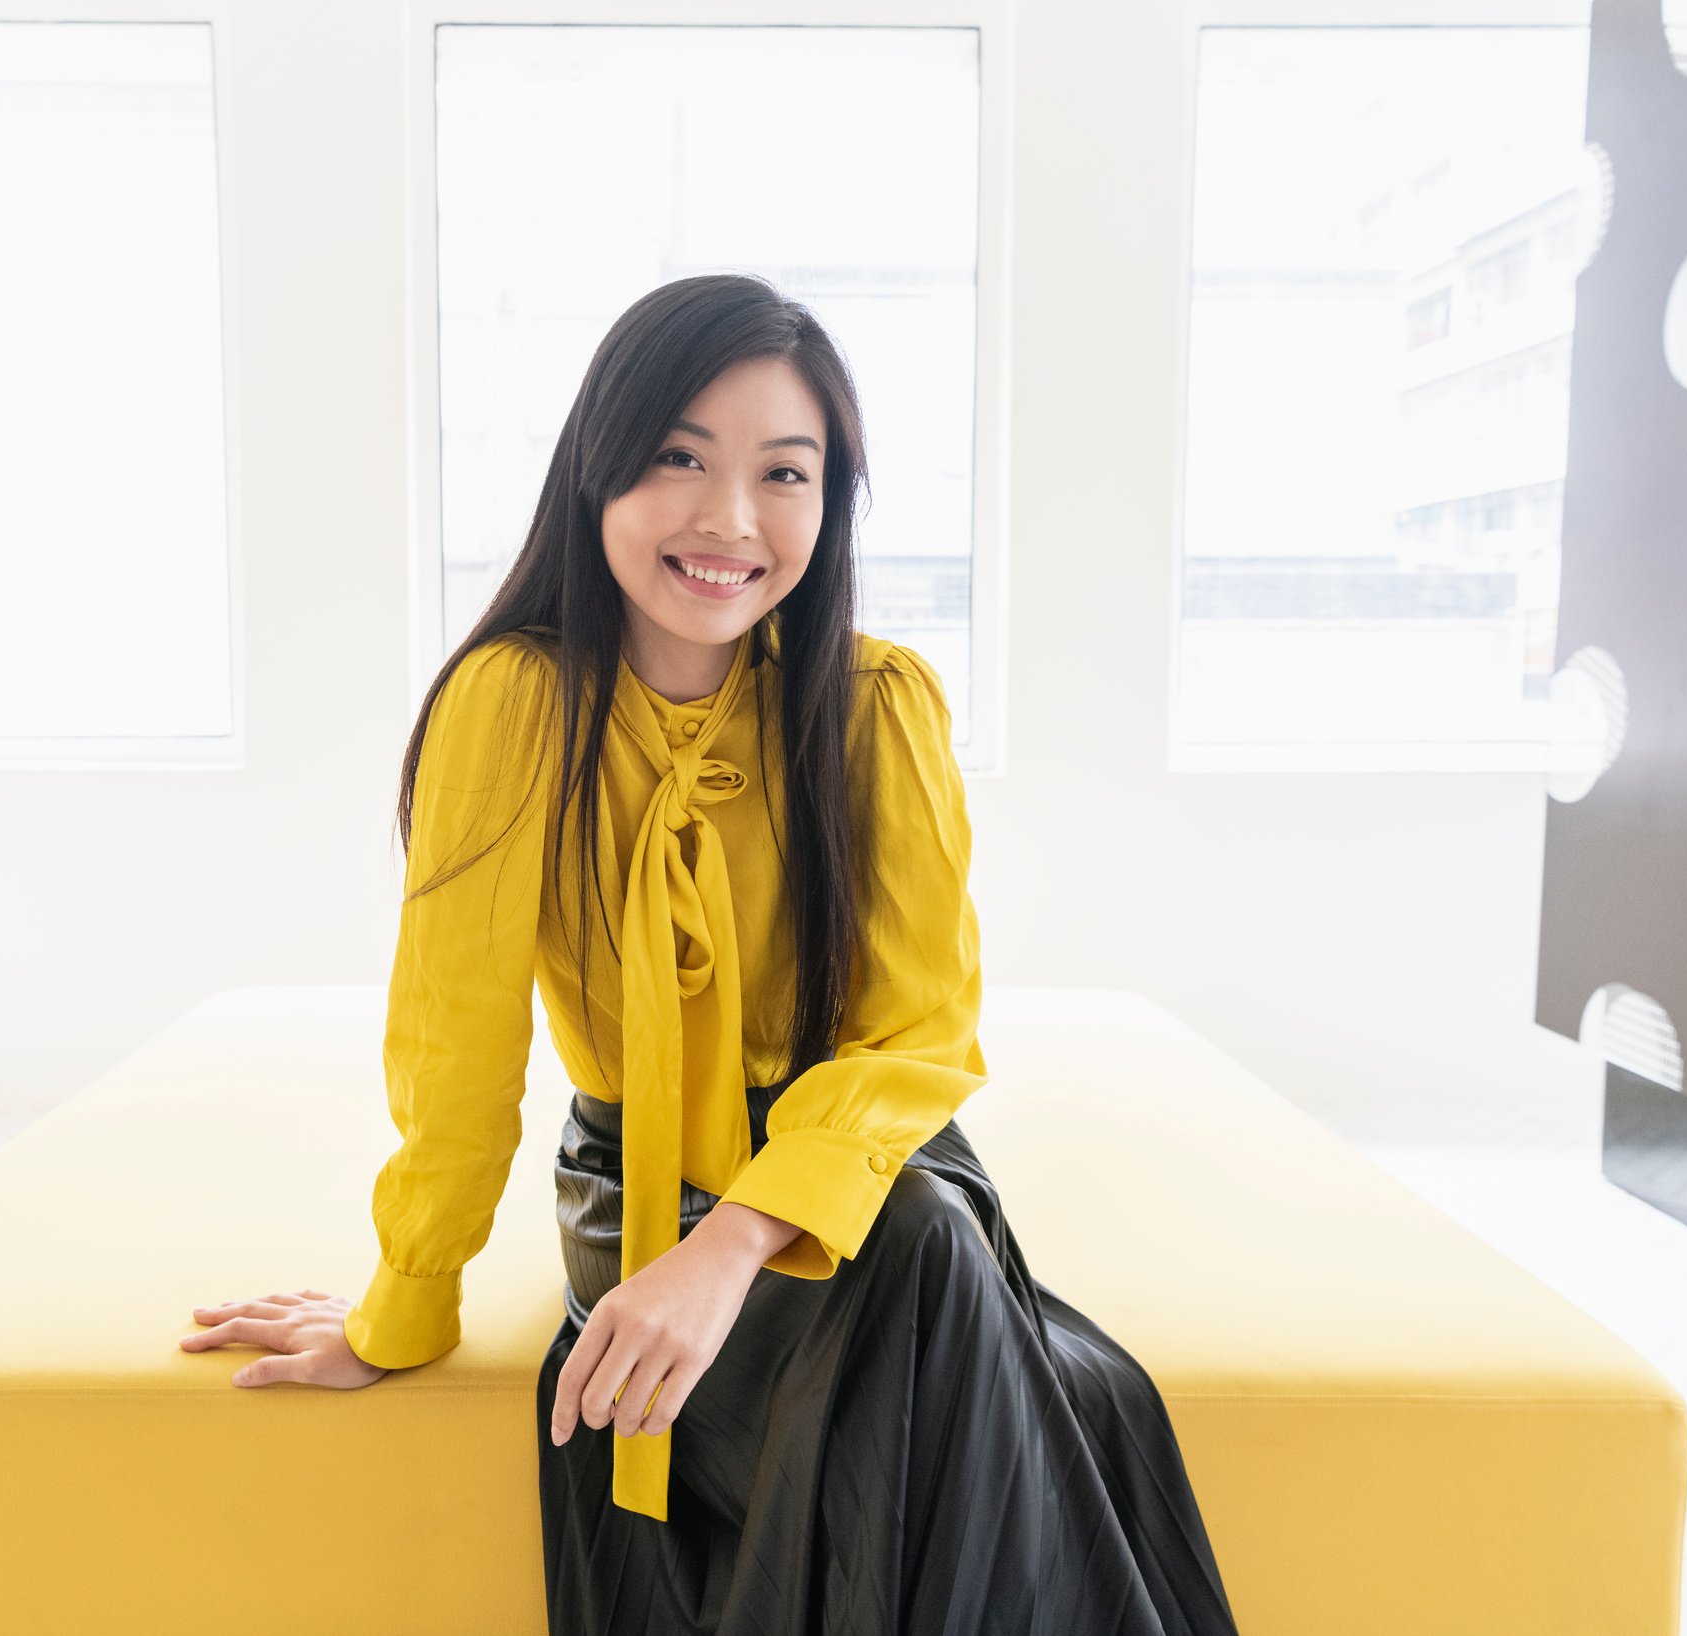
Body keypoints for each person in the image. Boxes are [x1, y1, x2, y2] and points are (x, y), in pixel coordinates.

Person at [178, 273, 1242, 1635]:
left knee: (919, 1234)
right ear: (599, 469)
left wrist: (736, 1245)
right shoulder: (511, 706)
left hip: (856, 1177)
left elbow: (920, 1035)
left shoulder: (877, 706)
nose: (730, 518)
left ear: (828, 503)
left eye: (783, 473)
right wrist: (402, 1308)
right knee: (929, 1289)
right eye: (680, 457)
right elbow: (458, 1047)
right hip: (641, 1184)